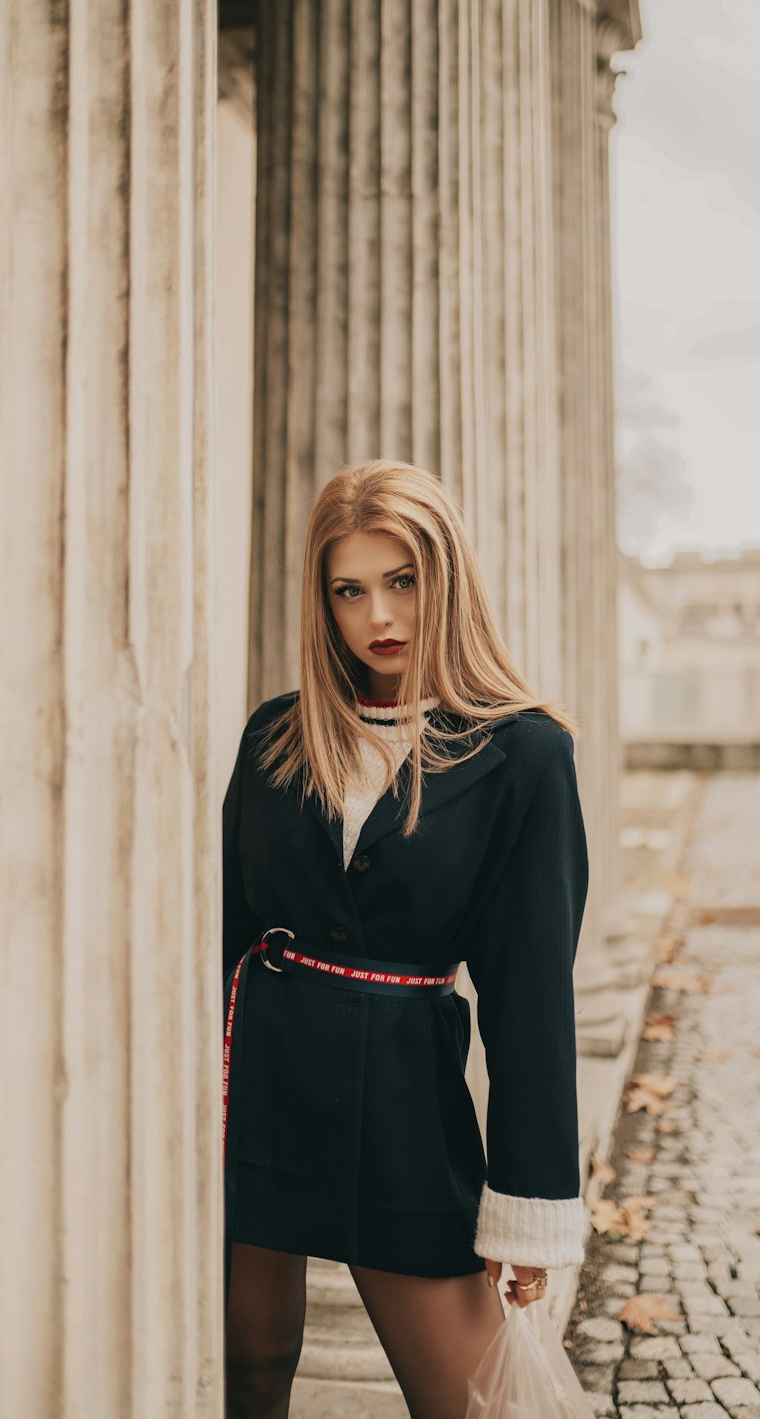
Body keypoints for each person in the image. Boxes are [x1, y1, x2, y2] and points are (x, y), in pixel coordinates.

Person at [222, 460, 590, 1419]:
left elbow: (531, 995)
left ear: (447, 578)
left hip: (403, 1104)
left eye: (402, 580)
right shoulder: (274, 738)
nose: (377, 614)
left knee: (470, 1405)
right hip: (254, 1085)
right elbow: (220, 927)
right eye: (349, 589)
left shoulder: (525, 754)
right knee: (245, 1370)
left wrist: (529, 1204)